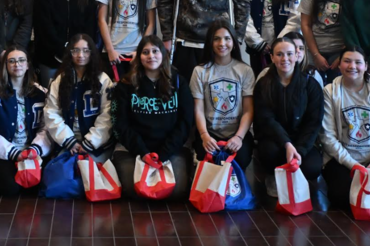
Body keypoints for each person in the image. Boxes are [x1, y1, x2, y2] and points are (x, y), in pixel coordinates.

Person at [111, 36, 194, 201]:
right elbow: (119, 124)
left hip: (170, 149)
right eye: (145, 52)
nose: (151, 56)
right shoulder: (126, 85)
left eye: (155, 51)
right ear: (139, 57)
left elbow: (186, 122)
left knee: (176, 191)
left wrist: (164, 153)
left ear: (163, 54)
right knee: (132, 189)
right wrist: (143, 152)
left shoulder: (178, 81)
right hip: (134, 149)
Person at [320, 47, 370, 208]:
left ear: (366, 66)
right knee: (341, 198)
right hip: (345, 160)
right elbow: (327, 137)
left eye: (358, 62)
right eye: (347, 61)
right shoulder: (329, 91)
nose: (352, 66)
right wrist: (354, 165)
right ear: (339, 65)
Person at [0, 45, 51, 196]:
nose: (17, 64)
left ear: (27, 65)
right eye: (11, 61)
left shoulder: (41, 93)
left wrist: (36, 148)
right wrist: (13, 153)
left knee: (40, 185)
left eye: (21, 60)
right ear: (5, 66)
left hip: (33, 151)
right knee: (10, 188)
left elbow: (47, 127)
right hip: (4, 153)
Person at [254, 38, 323, 198]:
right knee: (269, 154)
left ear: (297, 55)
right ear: (272, 57)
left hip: (301, 141)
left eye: (289, 54)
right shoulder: (264, 84)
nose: (285, 59)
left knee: (312, 167)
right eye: (279, 54)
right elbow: (266, 120)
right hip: (275, 140)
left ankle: (293, 178)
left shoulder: (310, 85)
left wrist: (299, 149)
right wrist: (286, 144)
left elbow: (313, 123)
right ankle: (274, 177)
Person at [190, 20, 255, 168]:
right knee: (212, 164)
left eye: (227, 38)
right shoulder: (200, 71)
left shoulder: (245, 70)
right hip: (210, 133)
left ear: (233, 41)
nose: (222, 43)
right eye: (216, 39)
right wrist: (204, 136)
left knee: (241, 160)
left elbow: (248, 110)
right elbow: (198, 109)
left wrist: (238, 137)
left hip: (237, 133)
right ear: (210, 43)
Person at [44, 35, 114, 162]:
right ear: (70, 53)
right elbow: (51, 112)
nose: (80, 55)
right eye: (76, 50)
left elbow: (107, 115)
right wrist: (68, 141)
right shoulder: (60, 80)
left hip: (97, 145)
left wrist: (90, 142)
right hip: (69, 144)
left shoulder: (103, 79)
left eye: (86, 50)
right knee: (62, 176)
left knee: (91, 175)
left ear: (91, 53)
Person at [34, 0, 98, 86]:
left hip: (79, 57)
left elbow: (89, 27)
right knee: (51, 96)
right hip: (50, 58)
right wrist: (62, 50)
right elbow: (44, 28)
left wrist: (75, 50)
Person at [295, 0, 349, 85]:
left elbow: (354, 25)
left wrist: (343, 55)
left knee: (338, 92)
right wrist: (316, 55)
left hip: (340, 52)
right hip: (315, 51)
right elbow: (305, 25)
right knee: (314, 91)